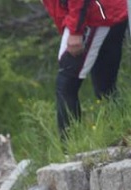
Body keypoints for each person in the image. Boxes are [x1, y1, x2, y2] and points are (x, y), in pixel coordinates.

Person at [42, 0, 128, 136]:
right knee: (105, 88)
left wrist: (75, 30)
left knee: (66, 85)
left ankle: (69, 148)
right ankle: (122, 132)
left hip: (94, 16)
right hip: (109, 12)